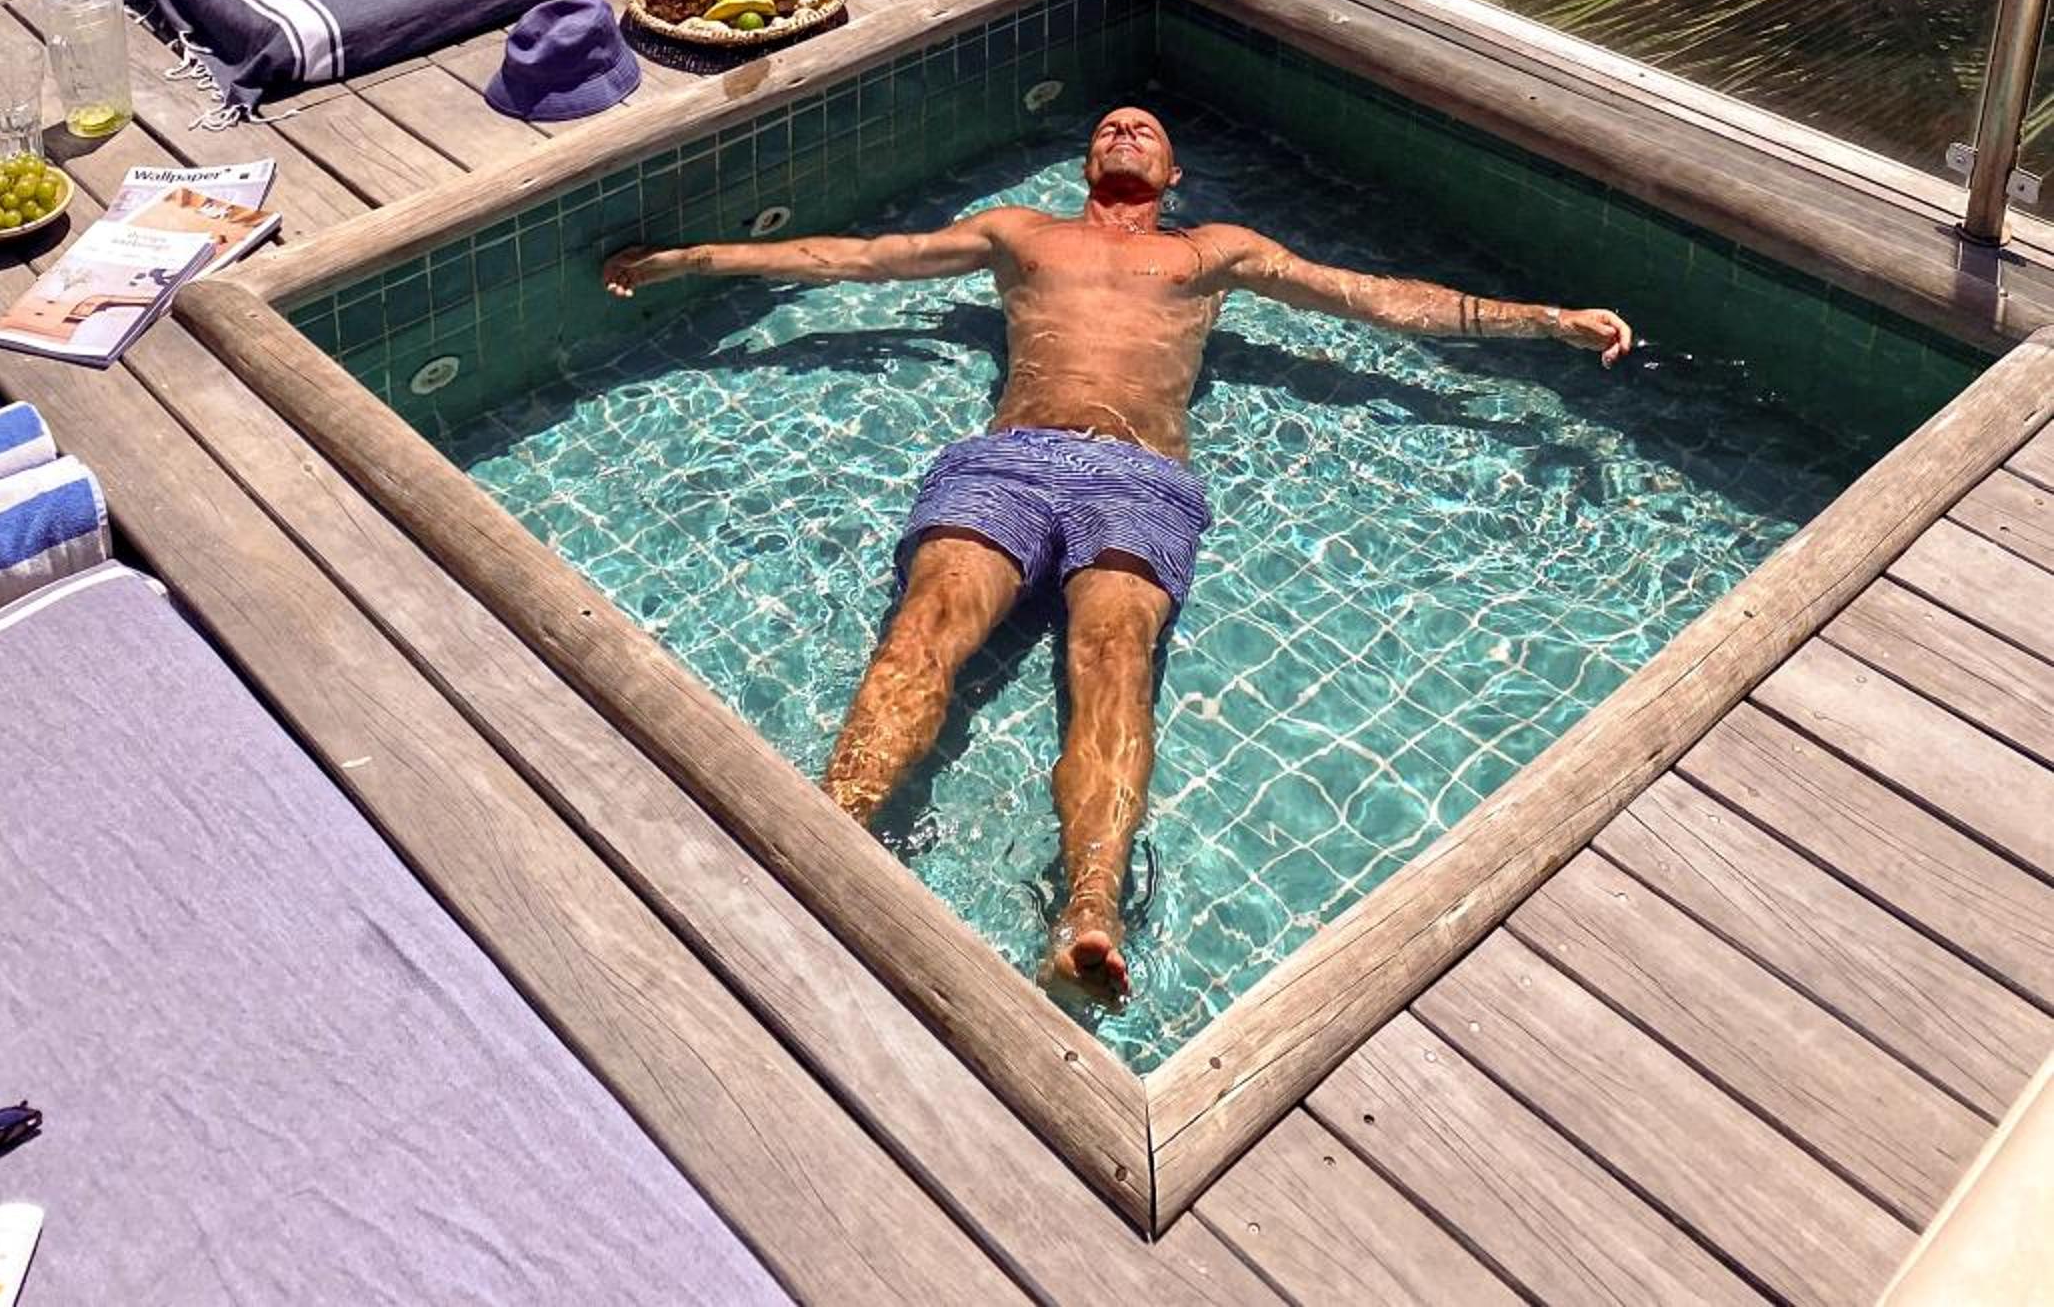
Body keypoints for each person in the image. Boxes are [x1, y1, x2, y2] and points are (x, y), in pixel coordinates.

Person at [603, 103, 1632, 1005]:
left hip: (1140, 478)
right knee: (926, 629)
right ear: (1086, 164)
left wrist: (1543, 322)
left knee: (1114, 666)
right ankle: (833, 827)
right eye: (1107, 127)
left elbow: (1370, 296)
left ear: (1173, 173)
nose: (1125, 129)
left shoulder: (1211, 252)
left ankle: (1090, 909)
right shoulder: (1021, 235)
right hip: (1010, 459)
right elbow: (862, 259)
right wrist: (693, 261)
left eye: (1145, 128)